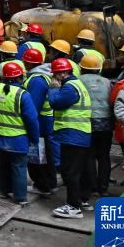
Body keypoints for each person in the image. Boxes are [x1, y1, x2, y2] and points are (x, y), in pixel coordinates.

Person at [0, 61, 40, 206]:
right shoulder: (22, 95)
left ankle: (4, 191)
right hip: (18, 139)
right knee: (19, 166)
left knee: (3, 164)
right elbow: (32, 119)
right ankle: (21, 197)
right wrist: (34, 138)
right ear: (18, 78)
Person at [48, 57, 92, 218]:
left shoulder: (69, 88)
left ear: (63, 73)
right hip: (80, 133)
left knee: (70, 171)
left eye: (55, 75)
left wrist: (53, 89)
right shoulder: (78, 84)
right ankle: (82, 200)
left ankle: (73, 207)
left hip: (72, 134)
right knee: (80, 170)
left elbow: (55, 103)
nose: (54, 78)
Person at [21, 48, 58, 196]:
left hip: (40, 123)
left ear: (29, 63)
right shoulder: (43, 76)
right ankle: (50, 183)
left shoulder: (37, 80)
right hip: (45, 121)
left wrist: (28, 124)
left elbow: (33, 107)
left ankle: (43, 185)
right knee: (45, 154)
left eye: (25, 61)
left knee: (37, 156)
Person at [78, 53, 113, 197]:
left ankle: (91, 187)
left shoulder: (78, 81)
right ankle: (103, 188)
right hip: (106, 122)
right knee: (104, 156)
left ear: (81, 68)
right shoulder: (107, 82)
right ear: (99, 68)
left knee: (89, 155)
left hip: (88, 122)